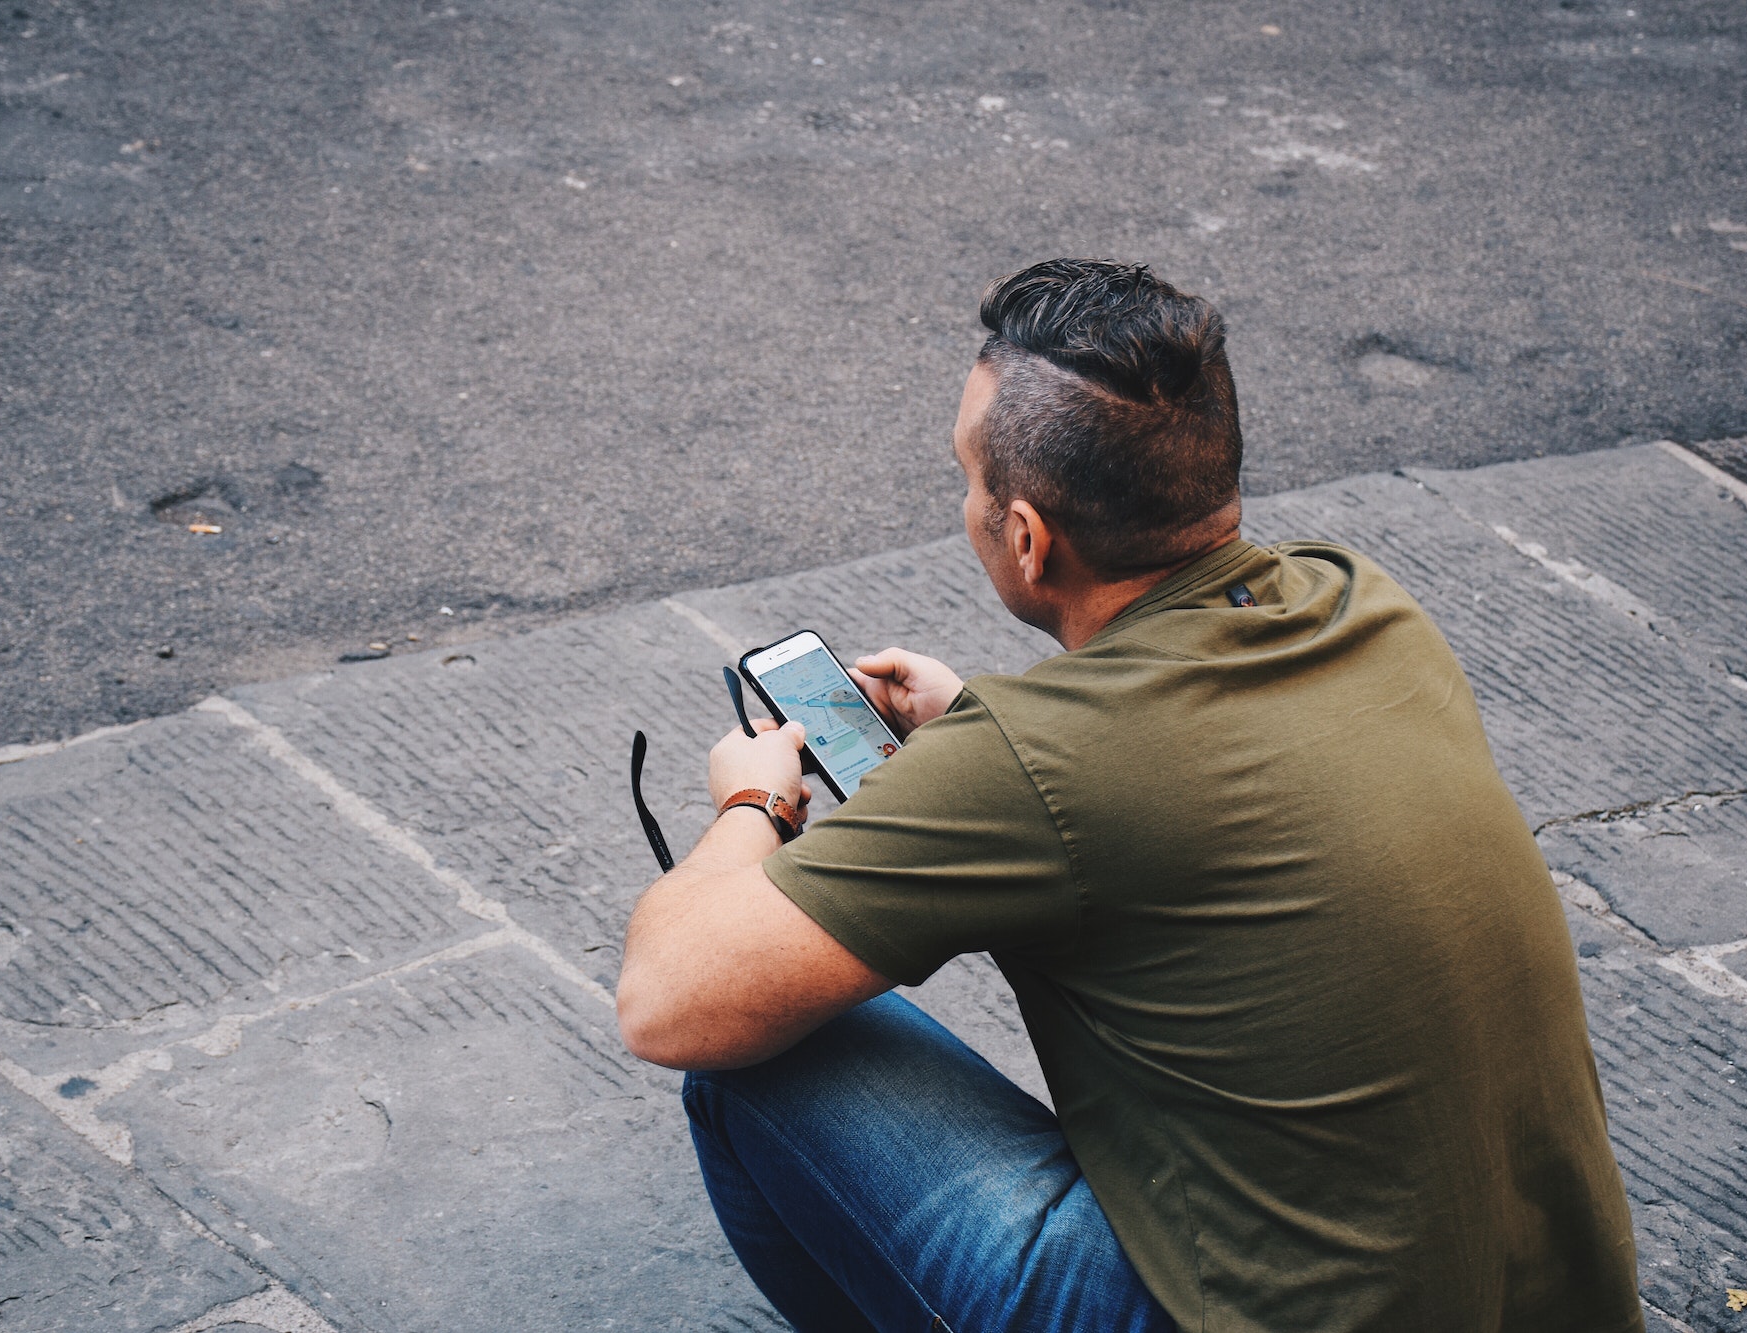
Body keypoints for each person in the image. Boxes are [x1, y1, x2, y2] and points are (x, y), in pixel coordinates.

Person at [616, 259, 1646, 1333]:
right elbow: (1179, 769)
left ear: (1023, 535)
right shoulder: (1359, 603)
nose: (963, 505)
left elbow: (669, 1001)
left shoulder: (1034, 763)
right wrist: (979, 719)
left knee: (757, 1056)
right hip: (1538, 1301)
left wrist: (753, 807)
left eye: (968, 479)